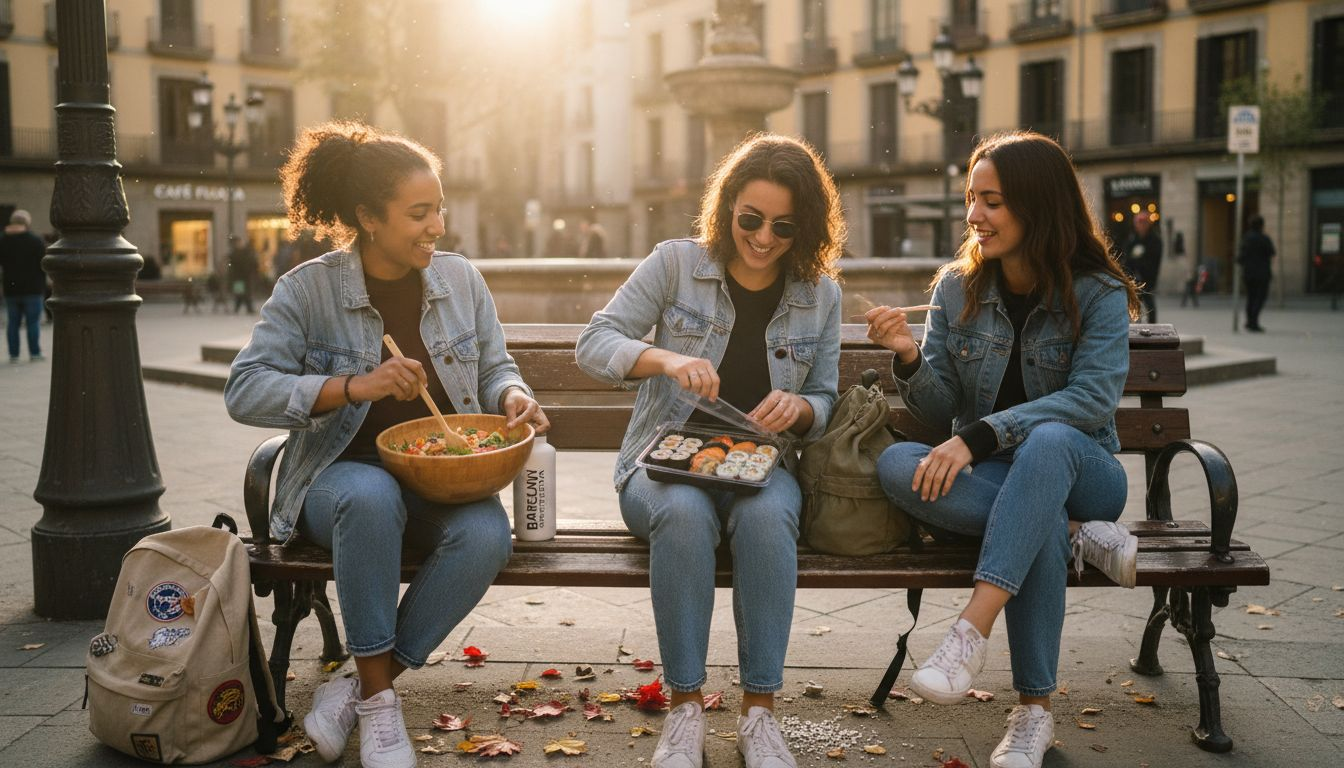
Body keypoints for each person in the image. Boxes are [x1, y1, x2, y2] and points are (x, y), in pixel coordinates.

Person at [224, 121, 549, 768]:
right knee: (371, 497)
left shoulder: (461, 281)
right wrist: (354, 385)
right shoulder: (308, 290)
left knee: (487, 534)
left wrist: (512, 394)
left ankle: (361, 682)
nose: (437, 227)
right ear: (370, 218)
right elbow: (245, 390)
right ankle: (380, 712)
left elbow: (494, 366)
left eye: (440, 210)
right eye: (419, 214)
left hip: (434, 473)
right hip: (337, 477)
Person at [864, 131, 1143, 768]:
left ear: (1037, 206)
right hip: (1002, 481)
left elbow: (1092, 401)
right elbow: (936, 411)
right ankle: (1035, 707)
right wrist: (908, 355)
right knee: (894, 463)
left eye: (991, 201)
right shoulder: (956, 288)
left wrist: (982, 435)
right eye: (971, 199)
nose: (973, 215)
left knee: (1046, 442)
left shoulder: (1096, 293)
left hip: (1086, 474)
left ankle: (972, 630)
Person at [577, 134, 844, 768]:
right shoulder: (675, 264)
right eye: (749, 218)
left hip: (760, 463)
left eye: (783, 225)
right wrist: (665, 358)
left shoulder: (820, 294)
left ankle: (759, 716)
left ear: (805, 226)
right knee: (685, 512)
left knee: (768, 516)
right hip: (662, 462)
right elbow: (594, 342)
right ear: (727, 207)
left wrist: (801, 408)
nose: (762, 237)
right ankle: (686, 710)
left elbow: (827, 395)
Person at [1, 210, 48, 362]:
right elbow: (44, 263)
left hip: (10, 289)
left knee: (12, 323)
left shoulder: (2, 240)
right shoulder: (35, 240)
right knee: (33, 322)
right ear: (27, 223)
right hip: (33, 288)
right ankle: (34, 353)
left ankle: (14, 354)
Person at [1121, 211, 1162, 322]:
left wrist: (1138, 262)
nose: (1141, 225)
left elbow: (1154, 259)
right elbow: (1127, 256)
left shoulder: (1154, 239)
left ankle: (1153, 327)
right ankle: (1136, 325)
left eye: (1143, 222)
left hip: (1147, 277)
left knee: (1149, 303)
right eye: (1139, 222)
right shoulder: (1132, 238)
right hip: (1133, 277)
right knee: (1134, 304)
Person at [1238, 214, 1275, 332]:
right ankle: (1253, 321)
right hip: (1262, 273)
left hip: (1248, 273)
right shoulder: (1264, 238)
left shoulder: (1246, 238)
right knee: (1260, 297)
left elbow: (1241, 256)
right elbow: (1272, 252)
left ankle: (1250, 321)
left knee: (1251, 297)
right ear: (1261, 225)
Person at [227, 235, 258, 314]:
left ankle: (244, 308)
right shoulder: (234, 254)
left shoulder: (245, 252)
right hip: (238, 277)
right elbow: (234, 266)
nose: (240, 244)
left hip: (245, 276)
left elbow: (250, 263)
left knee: (244, 293)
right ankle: (243, 308)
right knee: (240, 293)